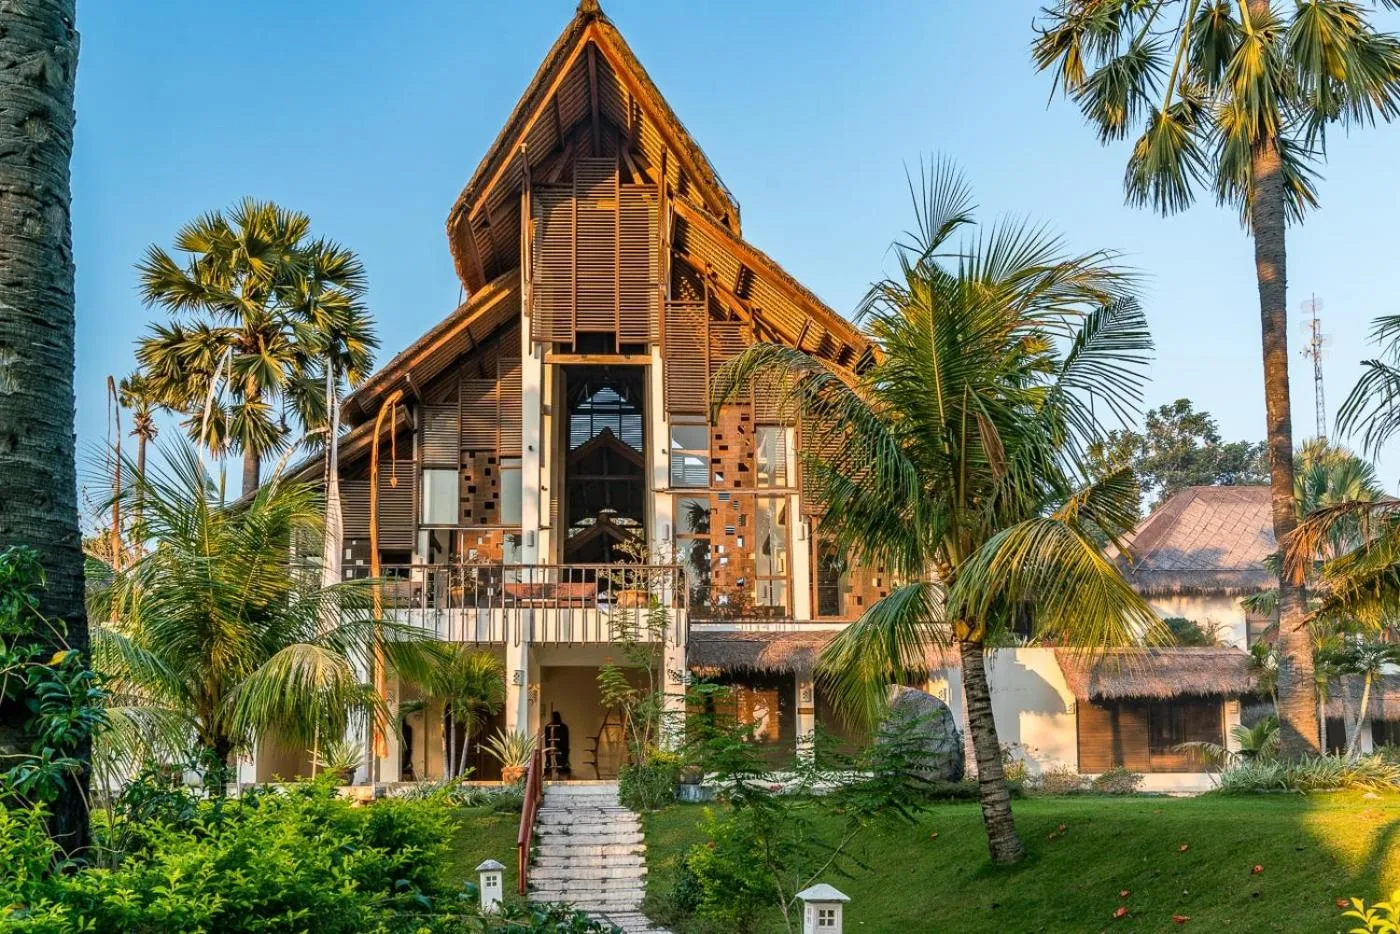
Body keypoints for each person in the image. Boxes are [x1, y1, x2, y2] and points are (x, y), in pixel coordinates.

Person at [545, 711, 571, 778]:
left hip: (560, 750)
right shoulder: (549, 727)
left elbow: (565, 740)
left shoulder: (563, 727)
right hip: (555, 750)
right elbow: (547, 741)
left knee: (558, 762)